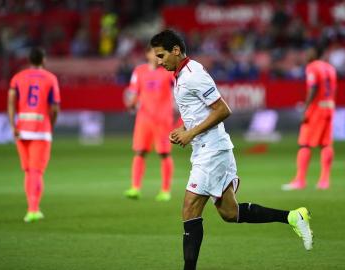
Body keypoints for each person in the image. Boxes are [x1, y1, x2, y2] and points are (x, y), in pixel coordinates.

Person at [150, 30, 313, 270]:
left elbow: (223, 109)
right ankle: (293, 217)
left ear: (176, 50)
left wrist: (190, 133)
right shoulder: (182, 74)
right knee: (229, 212)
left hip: (212, 150)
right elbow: (201, 111)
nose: (159, 61)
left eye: (162, 55)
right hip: (207, 148)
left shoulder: (193, 75)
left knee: (190, 207)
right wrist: (183, 128)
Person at [7, 47, 61, 222]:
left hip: (21, 128)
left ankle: (31, 207)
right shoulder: (50, 78)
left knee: (29, 171)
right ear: (43, 60)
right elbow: (54, 107)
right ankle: (33, 209)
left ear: (29, 60)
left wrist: (12, 124)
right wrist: (50, 125)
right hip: (40, 129)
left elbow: (10, 102)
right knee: (36, 171)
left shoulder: (17, 78)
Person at [123, 46, 175, 201]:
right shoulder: (139, 71)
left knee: (164, 153)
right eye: (154, 52)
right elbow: (133, 92)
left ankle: (165, 190)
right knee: (139, 152)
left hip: (163, 120)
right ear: (147, 54)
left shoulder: (168, 71)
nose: (158, 55)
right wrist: (131, 103)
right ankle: (135, 188)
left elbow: (180, 87)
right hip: (144, 119)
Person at [282, 46, 337, 190]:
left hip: (316, 109)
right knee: (326, 144)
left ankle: (300, 180)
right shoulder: (330, 68)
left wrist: (305, 109)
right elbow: (332, 89)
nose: (306, 54)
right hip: (329, 107)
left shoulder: (312, 67)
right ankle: (324, 181)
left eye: (309, 51)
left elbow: (313, 88)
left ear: (315, 53)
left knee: (305, 144)